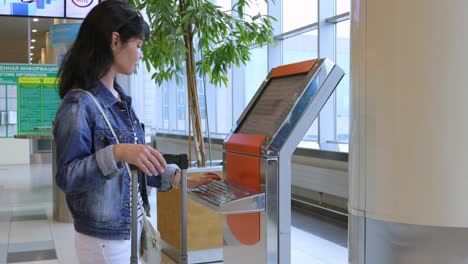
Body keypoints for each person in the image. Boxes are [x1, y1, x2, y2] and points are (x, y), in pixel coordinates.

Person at [53, 1, 221, 263]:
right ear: (116, 41)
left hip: (131, 229)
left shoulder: (119, 97)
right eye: (139, 45)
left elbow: (133, 164)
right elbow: (67, 176)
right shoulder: (79, 104)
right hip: (103, 239)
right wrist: (117, 152)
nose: (141, 54)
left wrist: (175, 178)